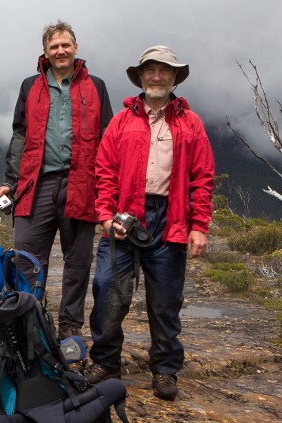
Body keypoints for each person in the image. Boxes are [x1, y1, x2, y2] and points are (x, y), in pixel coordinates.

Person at [85, 46, 215, 401]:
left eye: (164, 71)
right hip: (125, 218)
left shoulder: (190, 123)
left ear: (175, 78)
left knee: (165, 299)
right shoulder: (122, 122)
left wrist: (198, 225)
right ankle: (106, 360)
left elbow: (202, 177)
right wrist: (107, 216)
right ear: (140, 76)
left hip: (170, 219)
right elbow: (105, 170)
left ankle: (165, 369)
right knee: (107, 288)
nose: (157, 76)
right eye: (150, 71)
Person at [0, 21, 112, 340]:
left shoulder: (95, 86)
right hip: (37, 184)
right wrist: (10, 181)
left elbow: (106, 138)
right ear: (45, 51)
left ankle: (70, 328)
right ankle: (30, 322)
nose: (60, 50)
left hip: (82, 184)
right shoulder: (30, 86)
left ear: (76, 48)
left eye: (65, 45)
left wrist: (109, 193)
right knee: (27, 256)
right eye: (54, 46)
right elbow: (20, 134)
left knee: (78, 261)